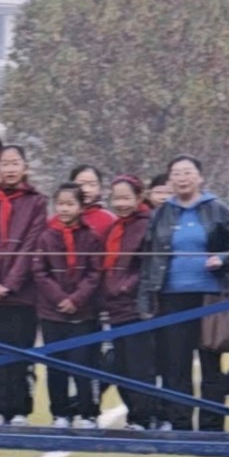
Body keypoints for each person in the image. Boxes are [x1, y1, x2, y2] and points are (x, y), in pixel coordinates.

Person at [138, 154, 229, 431]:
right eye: (176, 173)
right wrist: (146, 298)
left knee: (211, 364)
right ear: (169, 179)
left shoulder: (217, 208)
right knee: (177, 366)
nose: (182, 178)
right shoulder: (162, 212)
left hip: (210, 296)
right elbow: (149, 258)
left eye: (188, 172)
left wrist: (221, 259)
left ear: (199, 177)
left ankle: (212, 425)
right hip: (172, 297)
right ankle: (180, 424)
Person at [0, 144, 46, 425]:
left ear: (25, 167)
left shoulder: (36, 202)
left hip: (22, 295)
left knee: (19, 355)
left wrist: (11, 283)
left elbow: (32, 244)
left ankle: (19, 409)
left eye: (16, 163)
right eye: (5, 163)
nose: (10, 169)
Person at [30, 182, 105, 429]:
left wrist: (76, 299)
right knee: (56, 367)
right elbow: (40, 272)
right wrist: (60, 298)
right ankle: (60, 413)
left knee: (84, 365)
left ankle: (88, 413)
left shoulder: (91, 237)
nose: (64, 209)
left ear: (82, 206)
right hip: (52, 314)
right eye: (60, 203)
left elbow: (95, 273)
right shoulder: (46, 237)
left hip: (84, 314)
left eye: (70, 203)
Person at [99, 175, 155, 429]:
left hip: (137, 308)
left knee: (139, 366)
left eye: (126, 198)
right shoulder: (114, 228)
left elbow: (148, 266)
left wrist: (124, 285)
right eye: (116, 198)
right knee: (119, 366)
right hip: (114, 308)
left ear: (139, 198)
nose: (121, 203)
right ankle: (135, 414)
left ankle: (143, 416)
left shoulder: (148, 225)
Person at [69, 165, 113, 237]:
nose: (86, 190)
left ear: (100, 189)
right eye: (81, 184)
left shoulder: (110, 220)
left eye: (92, 185)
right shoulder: (59, 218)